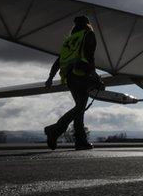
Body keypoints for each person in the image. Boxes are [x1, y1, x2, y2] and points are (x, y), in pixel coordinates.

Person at [43, 16, 104, 151]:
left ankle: (80, 141)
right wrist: (94, 75)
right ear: (88, 24)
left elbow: (59, 60)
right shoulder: (88, 34)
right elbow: (89, 56)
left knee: (79, 108)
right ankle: (55, 129)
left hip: (70, 77)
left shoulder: (69, 40)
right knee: (80, 107)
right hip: (82, 73)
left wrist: (50, 78)